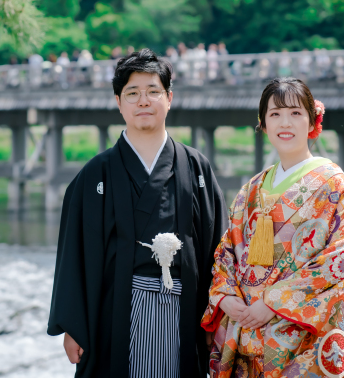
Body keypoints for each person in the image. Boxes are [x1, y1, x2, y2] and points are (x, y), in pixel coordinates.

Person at [48, 49, 229, 378]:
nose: (143, 101)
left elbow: (219, 248)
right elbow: (73, 253)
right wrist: (72, 325)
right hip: (116, 310)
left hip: (184, 310)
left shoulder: (196, 167)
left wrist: (216, 316)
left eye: (152, 91)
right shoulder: (95, 174)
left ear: (169, 98)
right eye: (132, 93)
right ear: (119, 102)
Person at [202, 78, 344, 378]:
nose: (284, 123)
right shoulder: (251, 189)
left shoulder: (332, 183)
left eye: (295, 113)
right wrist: (227, 298)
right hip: (248, 329)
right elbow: (227, 252)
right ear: (262, 123)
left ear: (313, 120)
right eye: (275, 114)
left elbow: (339, 261)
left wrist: (274, 303)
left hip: (301, 337)